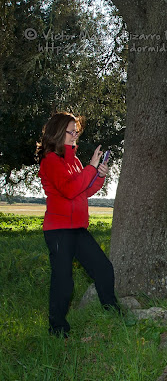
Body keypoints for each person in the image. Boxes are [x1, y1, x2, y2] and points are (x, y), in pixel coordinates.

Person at [36, 112, 120, 337]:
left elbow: (85, 190)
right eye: (71, 131)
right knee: (63, 281)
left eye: (76, 132)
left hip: (78, 228)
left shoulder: (74, 161)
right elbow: (69, 189)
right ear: (58, 131)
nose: (75, 136)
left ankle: (112, 313)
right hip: (58, 230)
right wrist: (91, 168)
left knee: (103, 268)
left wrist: (99, 175)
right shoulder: (50, 160)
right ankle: (57, 329)